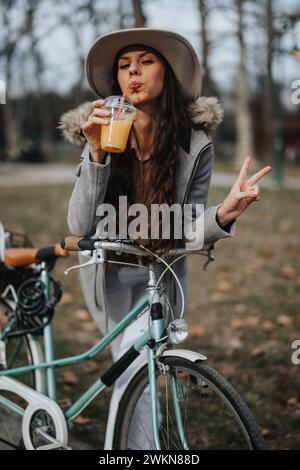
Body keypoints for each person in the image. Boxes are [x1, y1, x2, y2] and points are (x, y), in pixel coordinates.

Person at [59, 28, 272, 449]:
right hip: (111, 273)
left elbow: (184, 228)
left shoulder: (195, 144)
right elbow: (80, 226)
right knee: (133, 373)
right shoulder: (100, 132)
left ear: (168, 73)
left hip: (162, 272)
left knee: (135, 368)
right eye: (124, 65)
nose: (133, 70)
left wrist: (224, 213)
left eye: (146, 60)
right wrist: (97, 154)